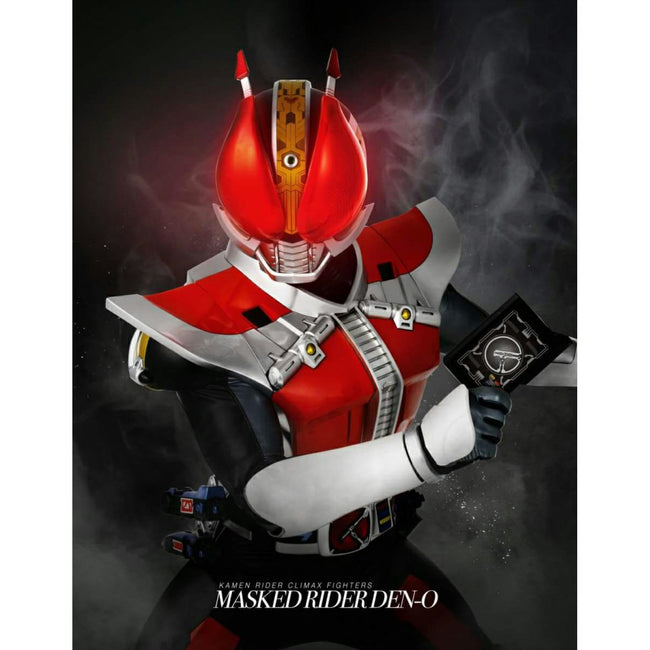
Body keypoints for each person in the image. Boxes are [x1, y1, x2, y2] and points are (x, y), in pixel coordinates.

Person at [107, 49, 576, 650]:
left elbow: (514, 352)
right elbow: (266, 497)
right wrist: (425, 450)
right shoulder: (203, 321)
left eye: (314, 229)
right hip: (250, 579)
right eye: (270, 235)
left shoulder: (398, 269)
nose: (292, 251)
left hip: (376, 564)